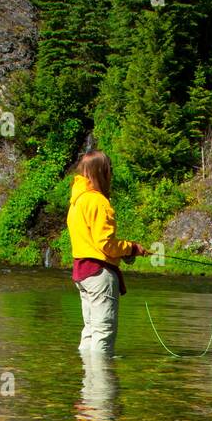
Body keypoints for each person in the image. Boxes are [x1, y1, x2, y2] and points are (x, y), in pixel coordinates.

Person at [67, 151, 146, 356]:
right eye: (109, 171)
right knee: (104, 331)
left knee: (91, 330)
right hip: (99, 274)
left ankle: (89, 382)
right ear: (102, 173)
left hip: (82, 272)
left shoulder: (76, 202)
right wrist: (132, 248)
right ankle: (102, 384)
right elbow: (106, 244)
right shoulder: (98, 202)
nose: (111, 175)